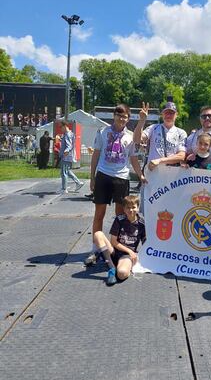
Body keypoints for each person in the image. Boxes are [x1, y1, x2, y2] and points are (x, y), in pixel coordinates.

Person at [85, 104, 146, 266]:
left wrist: (140, 175)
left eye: (125, 116)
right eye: (119, 115)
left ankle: (115, 250)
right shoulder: (103, 132)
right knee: (99, 214)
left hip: (121, 178)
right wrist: (92, 178)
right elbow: (96, 155)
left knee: (121, 217)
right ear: (114, 116)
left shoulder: (131, 136)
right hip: (103, 176)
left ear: (128, 118)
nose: (121, 119)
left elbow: (133, 158)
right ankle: (95, 249)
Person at [93, 195, 146, 285]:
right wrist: (129, 251)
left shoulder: (142, 223)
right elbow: (113, 241)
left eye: (133, 207)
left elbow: (145, 243)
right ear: (124, 209)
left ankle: (112, 261)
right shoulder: (119, 219)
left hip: (126, 256)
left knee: (122, 274)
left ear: (138, 208)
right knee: (98, 234)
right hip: (114, 251)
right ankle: (111, 268)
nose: (131, 210)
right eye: (128, 208)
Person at [133, 100, 187, 170]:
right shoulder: (153, 128)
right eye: (166, 113)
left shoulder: (181, 133)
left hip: (172, 173)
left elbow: (181, 156)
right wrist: (142, 120)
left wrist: (159, 160)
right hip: (153, 172)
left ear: (176, 115)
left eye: (171, 113)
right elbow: (136, 140)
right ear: (162, 114)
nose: (168, 115)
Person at [58, 121, 84, 194]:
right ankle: (78, 183)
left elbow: (69, 145)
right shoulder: (69, 134)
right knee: (67, 172)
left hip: (66, 156)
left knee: (64, 173)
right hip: (68, 156)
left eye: (61, 127)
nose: (60, 129)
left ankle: (64, 189)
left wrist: (66, 151)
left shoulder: (67, 135)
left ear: (65, 126)